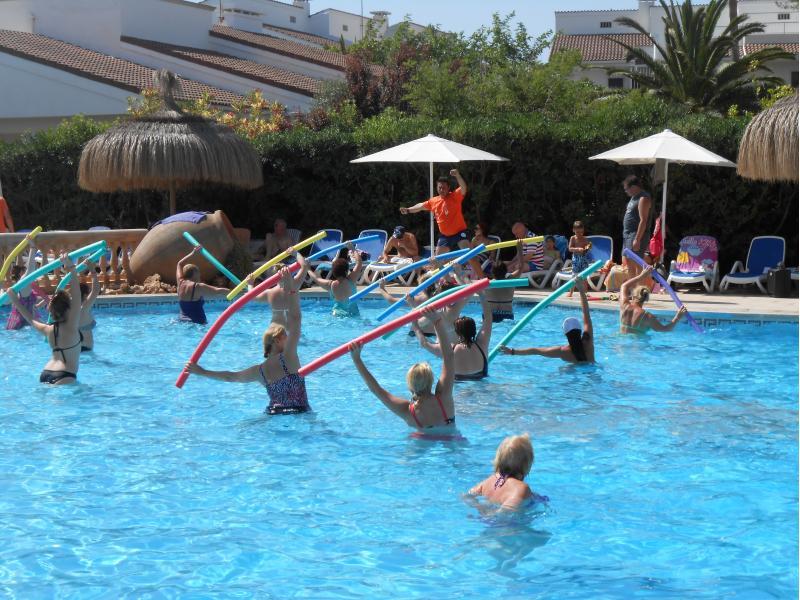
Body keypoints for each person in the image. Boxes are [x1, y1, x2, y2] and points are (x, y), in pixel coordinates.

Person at [185, 266, 310, 415]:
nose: (288, 337)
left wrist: (201, 371)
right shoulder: (288, 356)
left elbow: (231, 377)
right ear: (277, 341)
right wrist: (291, 289)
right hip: (299, 412)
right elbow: (296, 318)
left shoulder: (259, 371)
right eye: (285, 336)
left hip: (273, 413)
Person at [349, 310, 456, 431]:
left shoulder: (407, 411)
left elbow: (376, 390)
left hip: (422, 441)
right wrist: (437, 321)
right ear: (431, 381)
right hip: (452, 440)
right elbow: (449, 356)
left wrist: (356, 359)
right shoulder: (444, 398)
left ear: (410, 385)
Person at [4, 252, 82, 384]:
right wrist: (71, 268)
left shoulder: (48, 329)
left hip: (46, 373)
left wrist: (15, 300)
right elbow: (77, 293)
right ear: (68, 308)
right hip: (65, 374)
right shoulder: (72, 325)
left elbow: (30, 318)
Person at [499, 278, 595, 363]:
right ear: (580, 330)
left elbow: (535, 351)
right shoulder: (588, 341)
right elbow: (586, 314)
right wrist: (581, 290)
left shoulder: (562, 351)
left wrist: (512, 351)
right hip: (592, 371)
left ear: (565, 334)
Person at [414, 289, 493, 381]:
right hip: (482, 386)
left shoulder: (449, 349)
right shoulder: (482, 344)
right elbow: (488, 318)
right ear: (474, 330)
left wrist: (414, 324)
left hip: (458, 388)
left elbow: (424, 343)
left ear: (457, 332)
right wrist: (482, 295)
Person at [468, 434, 547, 510]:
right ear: (527, 464)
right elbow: (506, 511)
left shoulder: (488, 481)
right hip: (503, 518)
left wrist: (480, 508)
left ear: (498, 460)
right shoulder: (522, 489)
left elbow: (468, 496)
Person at [619, 265, 687, 334]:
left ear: (633, 296)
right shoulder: (648, 316)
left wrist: (641, 276)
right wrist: (677, 317)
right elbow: (665, 329)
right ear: (646, 299)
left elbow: (624, 286)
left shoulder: (624, 305)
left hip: (621, 339)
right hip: (639, 341)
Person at [251, 252, 308, 329]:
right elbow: (304, 266)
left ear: (273, 278)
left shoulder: (270, 293)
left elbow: (253, 296)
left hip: (274, 328)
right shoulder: (295, 285)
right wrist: (295, 253)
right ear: (289, 273)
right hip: (292, 329)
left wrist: (250, 284)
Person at [176, 247, 230, 325]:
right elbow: (217, 291)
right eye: (199, 273)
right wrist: (233, 291)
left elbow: (179, 264)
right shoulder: (198, 286)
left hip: (182, 321)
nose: (200, 275)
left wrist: (192, 253)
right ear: (195, 274)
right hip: (198, 322)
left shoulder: (180, 282)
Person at [306, 244, 363, 317]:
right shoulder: (351, 279)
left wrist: (307, 268)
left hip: (337, 314)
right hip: (353, 313)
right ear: (346, 271)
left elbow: (316, 278)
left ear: (333, 272)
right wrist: (353, 249)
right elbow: (359, 263)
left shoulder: (330, 285)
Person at [622, 175, 652, 275]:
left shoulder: (643, 198)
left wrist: (637, 239)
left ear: (634, 187)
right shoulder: (634, 198)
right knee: (629, 263)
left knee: (637, 263)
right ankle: (632, 284)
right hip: (627, 235)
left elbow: (643, 220)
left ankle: (639, 285)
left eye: (626, 189)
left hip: (635, 235)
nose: (626, 191)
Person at [4, 264, 48, 330]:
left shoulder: (27, 290)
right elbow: (30, 271)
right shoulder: (23, 289)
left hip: (23, 320)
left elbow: (40, 302)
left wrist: (42, 303)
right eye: (24, 272)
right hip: (23, 320)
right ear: (21, 273)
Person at [78, 260, 100, 351]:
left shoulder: (70, 308)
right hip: (86, 350)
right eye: (88, 294)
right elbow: (96, 290)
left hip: (74, 350)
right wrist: (92, 271)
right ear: (84, 295)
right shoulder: (84, 308)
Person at [567, 221, 592, 297]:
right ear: (573, 230)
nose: (580, 234)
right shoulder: (573, 238)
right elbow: (570, 249)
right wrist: (577, 249)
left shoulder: (585, 239)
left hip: (583, 259)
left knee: (584, 276)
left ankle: (585, 292)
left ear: (583, 230)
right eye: (577, 232)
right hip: (576, 259)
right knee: (574, 276)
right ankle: (571, 292)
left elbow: (587, 248)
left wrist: (588, 247)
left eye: (581, 232)